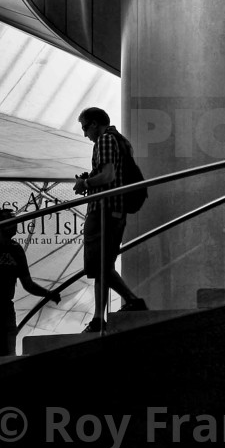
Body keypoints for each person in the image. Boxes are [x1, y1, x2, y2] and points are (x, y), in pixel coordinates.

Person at [74, 106, 148, 332]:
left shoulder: (105, 140)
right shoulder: (121, 141)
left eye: (86, 128)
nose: (86, 134)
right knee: (103, 266)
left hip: (105, 210)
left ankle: (130, 301)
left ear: (95, 123)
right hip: (114, 211)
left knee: (100, 265)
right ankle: (99, 317)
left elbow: (108, 175)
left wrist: (85, 184)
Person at [0, 208, 61, 357]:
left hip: (6, 307)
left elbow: (28, 284)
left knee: (9, 353)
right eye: (10, 222)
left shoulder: (16, 250)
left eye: (15, 221)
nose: (15, 225)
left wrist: (48, 294)